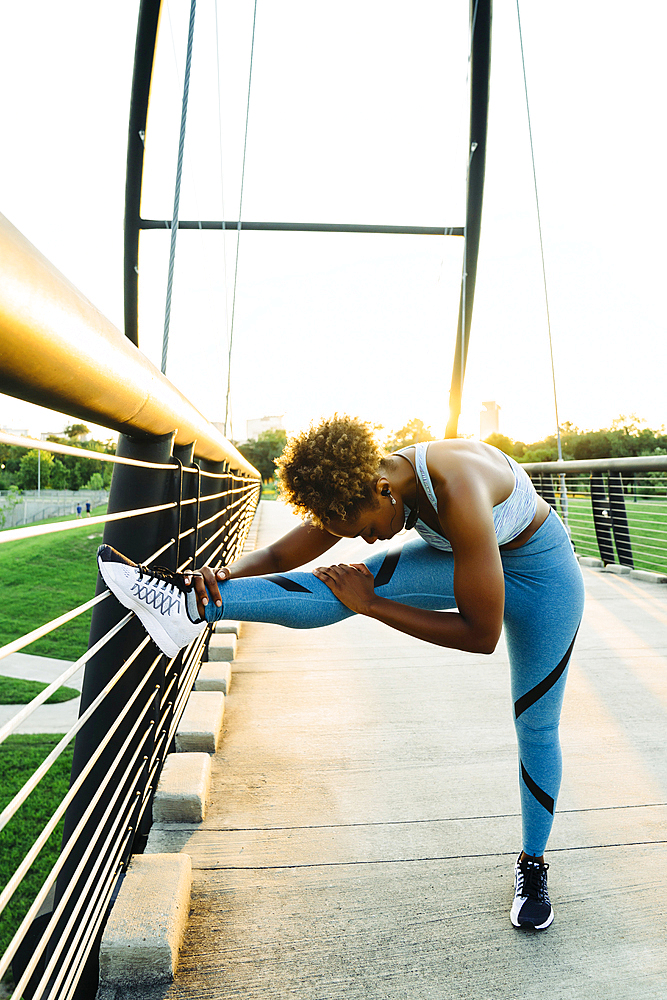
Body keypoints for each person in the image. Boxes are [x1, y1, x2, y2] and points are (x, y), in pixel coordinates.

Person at [97, 414, 584, 931]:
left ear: (382, 489)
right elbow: (282, 553)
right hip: (467, 561)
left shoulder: (456, 487)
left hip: (542, 579)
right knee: (339, 584)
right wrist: (221, 576)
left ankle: (533, 864)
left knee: (535, 726)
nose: (371, 541)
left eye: (368, 528)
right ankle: (187, 607)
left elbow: (479, 636)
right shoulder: (361, 481)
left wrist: (372, 606)